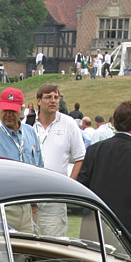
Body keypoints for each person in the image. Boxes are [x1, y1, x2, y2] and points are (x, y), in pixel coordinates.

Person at [77, 100, 131, 245]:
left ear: (114, 123)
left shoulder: (94, 150)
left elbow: (83, 185)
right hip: (130, 226)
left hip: (97, 222)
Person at [0, 88, 43, 231]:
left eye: (13, 111)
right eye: (5, 110)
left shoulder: (30, 133)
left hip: (26, 206)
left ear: (21, 110)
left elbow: (39, 168)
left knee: (28, 251)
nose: (9, 115)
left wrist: (34, 207)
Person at [32, 83, 85, 235]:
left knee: (55, 246)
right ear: (38, 100)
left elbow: (80, 157)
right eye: (48, 97)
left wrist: (69, 185)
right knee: (27, 247)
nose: (53, 101)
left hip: (55, 196)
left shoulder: (69, 124)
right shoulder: (27, 123)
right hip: (28, 197)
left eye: (56, 97)